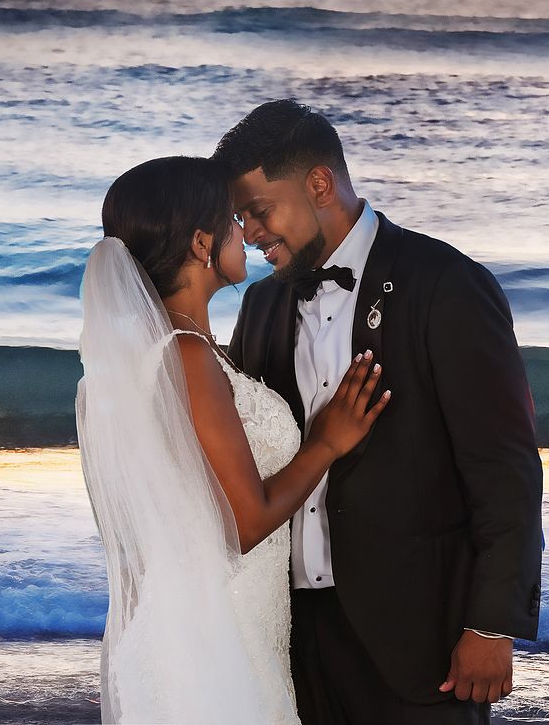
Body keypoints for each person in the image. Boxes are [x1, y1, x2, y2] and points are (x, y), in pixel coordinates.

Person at [214, 99, 543, 724]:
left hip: (419, 638)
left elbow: (505, 470)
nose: (250, 233)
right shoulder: (260, 306)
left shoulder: (446, 284)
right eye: (240, 219)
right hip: (292, 639)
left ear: (319, 184)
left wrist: (491, 625)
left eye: (258, 211)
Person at [78, 156, 389, 723]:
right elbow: (244, 523)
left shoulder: (172, 352)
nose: (246, 232)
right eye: (232, 220)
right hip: (221, 635)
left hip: (214, 622)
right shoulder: (187, 356)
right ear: (202, 244)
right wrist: (327, 441)